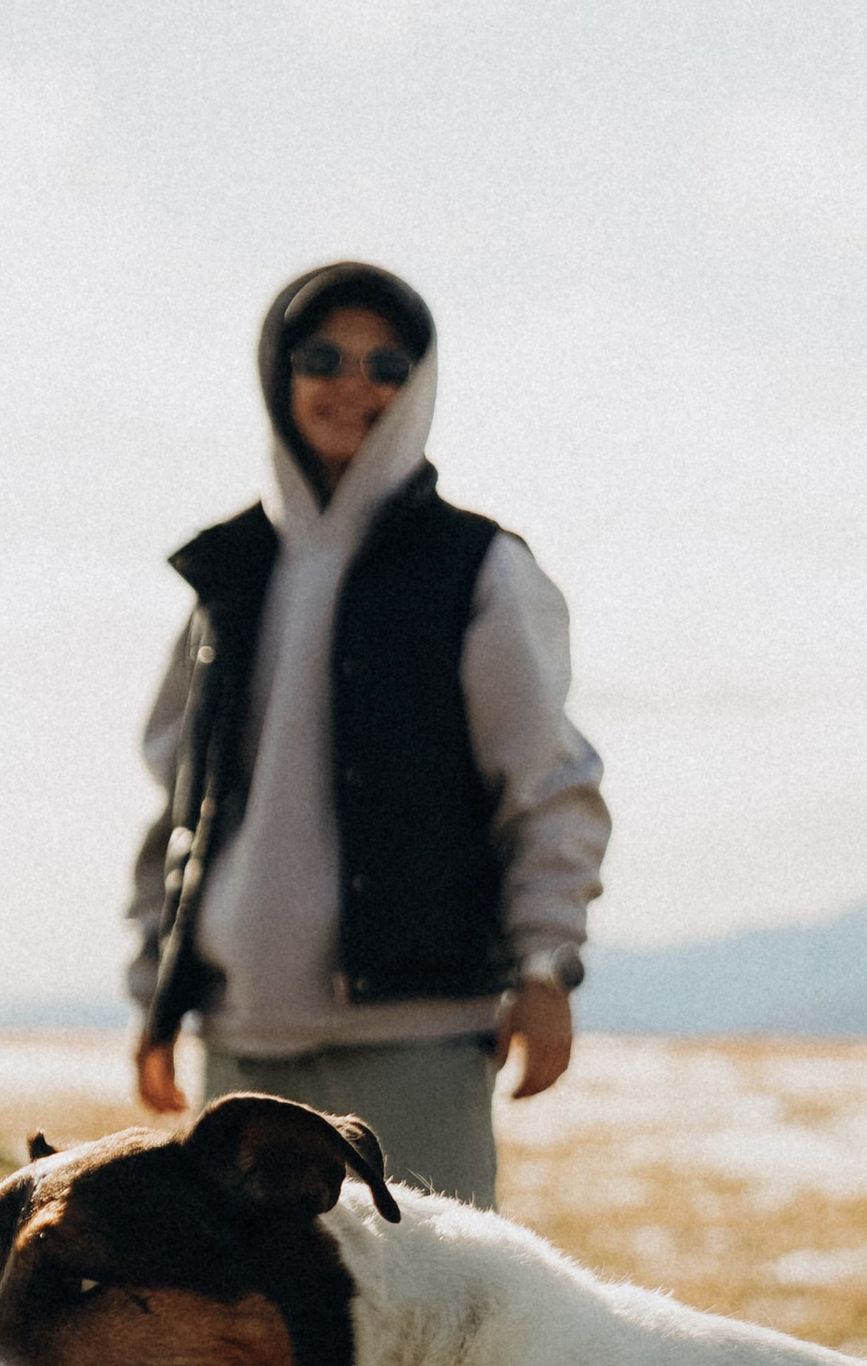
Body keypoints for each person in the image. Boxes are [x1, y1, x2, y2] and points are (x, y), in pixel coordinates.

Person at [123, 260, 607, 1208]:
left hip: (416, 1034)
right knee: (259, 1328)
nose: (355, 385)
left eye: (388, 363)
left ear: (420, 386)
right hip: (242, 1037)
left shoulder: (478, 569)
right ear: (279, 373)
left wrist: (547, 966)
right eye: (324, 356)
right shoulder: (230, 574)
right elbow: (180, 802)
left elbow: (548, 784)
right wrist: (158, 990)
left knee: (428, 1322)